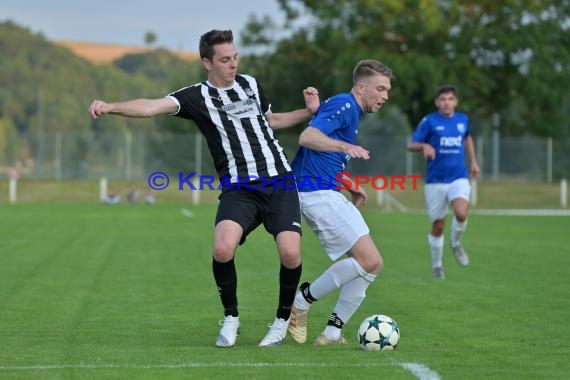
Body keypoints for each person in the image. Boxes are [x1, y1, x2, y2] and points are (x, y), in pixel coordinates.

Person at [88, 29, 320, 347]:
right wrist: (111, 105)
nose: (233, 64)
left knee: (291, 253)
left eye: (235, 57)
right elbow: (150, 107)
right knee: (222, 248)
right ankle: (231, 318)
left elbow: (273, 120)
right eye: (225, 60)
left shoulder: (251, 84)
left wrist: (308, 113)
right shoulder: (195, 97)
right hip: (239, 188)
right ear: (206, 63)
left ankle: (280, 323)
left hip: (280, 181)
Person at [287, 60, 393, 345]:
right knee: (368, 260)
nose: (385, 96)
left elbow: (324, 155)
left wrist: (348, 184)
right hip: (315, 192)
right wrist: (345, 146)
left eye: (387, 90)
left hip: (327, 189)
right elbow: (308, 137)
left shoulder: (351, 111)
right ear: (361, 87)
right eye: (380, 88)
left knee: (373, 264)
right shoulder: (345, 105)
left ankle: (332, 333)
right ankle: (300, 303)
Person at [407, 85, 480, 279]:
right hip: (435, 180)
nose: (446, 102)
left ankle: (455, 243)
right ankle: (437, 265)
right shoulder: (429, 121)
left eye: (450, 99)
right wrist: (424, 145)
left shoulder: (462, 119)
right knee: (438, 225)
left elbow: (467, 137)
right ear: (437, 102)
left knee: (461, 212)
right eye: (443, 99)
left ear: (456, 102)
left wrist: (473, 161)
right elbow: (411, 145)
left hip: (459, 176)